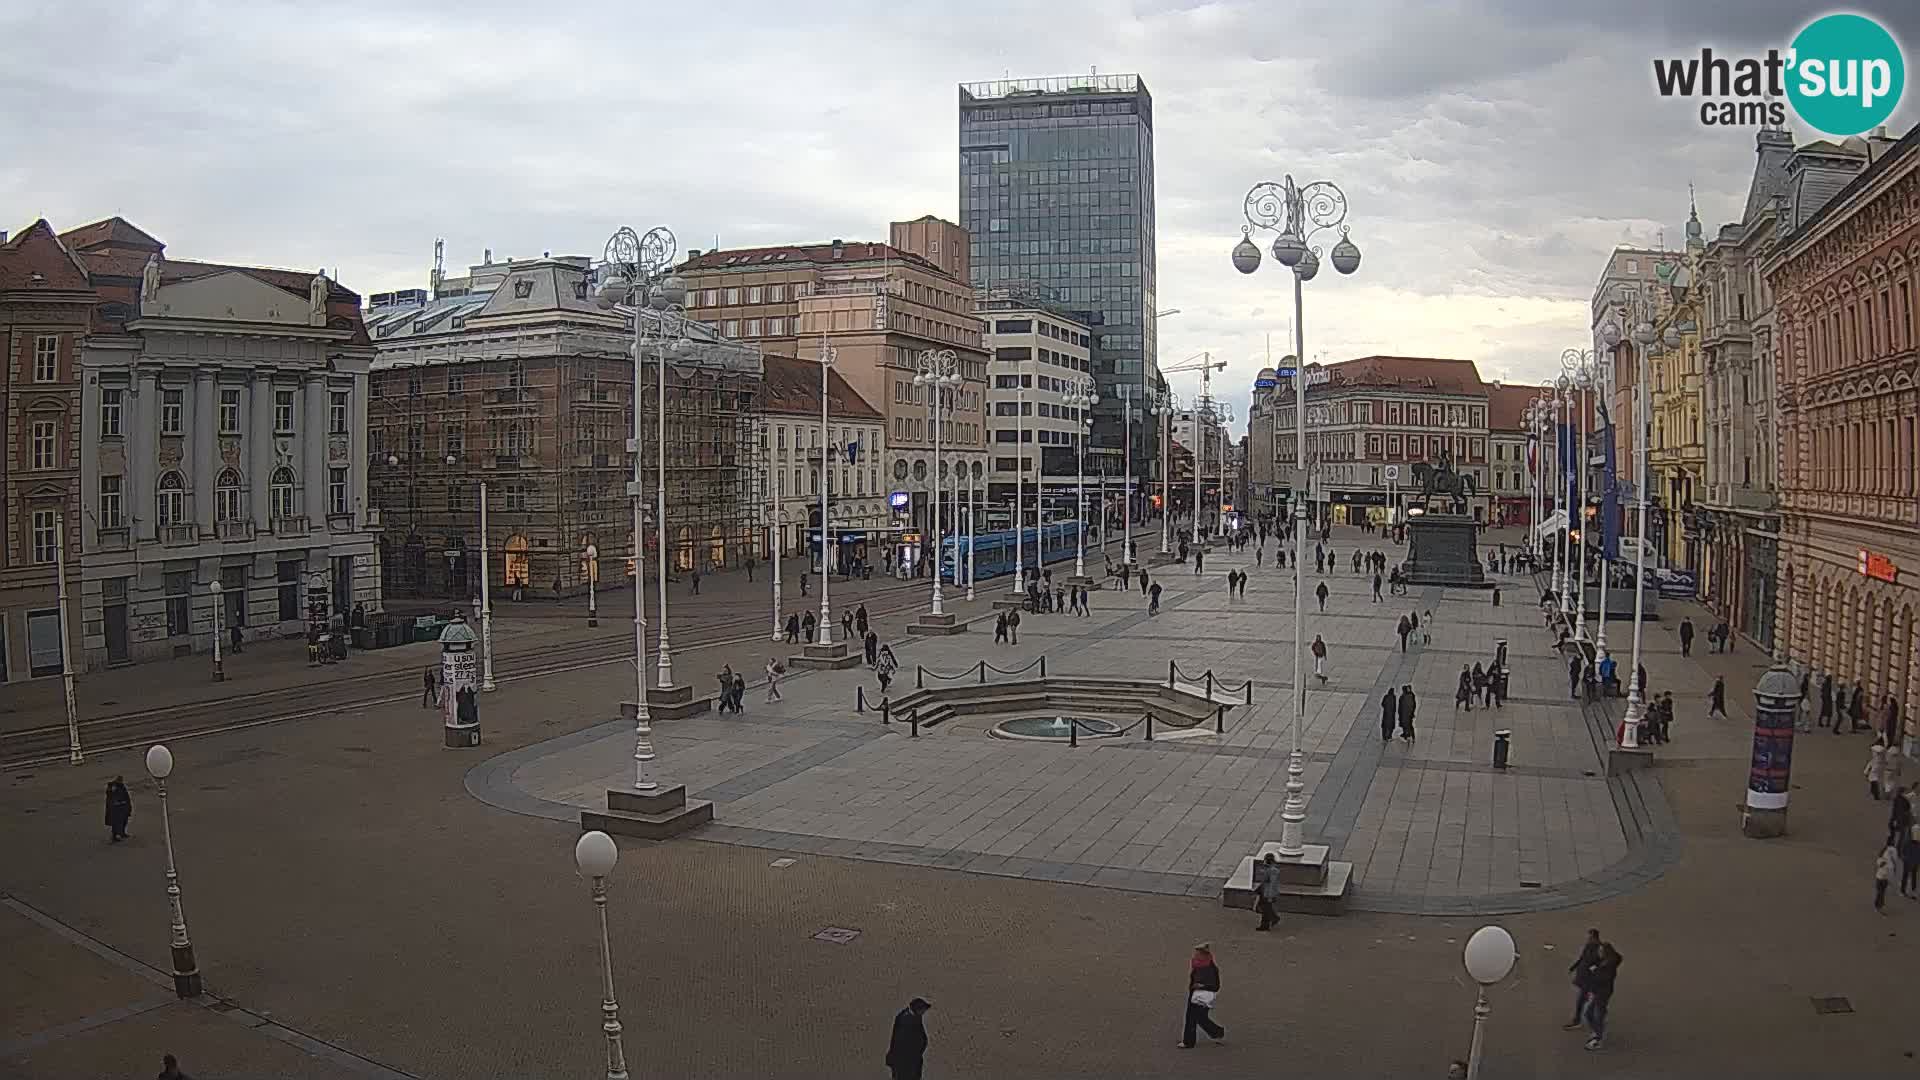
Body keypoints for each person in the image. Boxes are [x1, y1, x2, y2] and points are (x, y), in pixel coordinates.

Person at [1180, 944, 1225, 1048]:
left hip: (1203, 996)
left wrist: (1203, 986)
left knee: (1193, 1017)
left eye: (1198, 953)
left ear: (1203, 955)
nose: (1195, 955)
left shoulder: (1210, 969)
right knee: (1198, 1017)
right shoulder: (1198, 964)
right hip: (1195, 993)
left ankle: (1189, 1042)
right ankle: (1216, 1032)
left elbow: (1215, 986)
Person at [1581, 942, 1622, 1051]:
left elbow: (1603, 979)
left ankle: (1598, 1038)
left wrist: (1595, 971)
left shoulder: (1608, 966)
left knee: (1593, 1014)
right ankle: (1598, 1032)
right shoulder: (1605, 962)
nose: (1599, 953)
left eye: (1600, 951)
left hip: (1602, 993)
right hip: (1599, 992)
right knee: (1592, 1013)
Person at [1564, 929, 1603, 1028]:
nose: (1588, 938)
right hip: (1584, 976)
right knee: (1586, 998)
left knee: (1582, 999)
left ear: (1594, 936)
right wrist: (1574, 967)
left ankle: (1578, 1020)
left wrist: (1593, 969)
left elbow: (1599, 962)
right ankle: (1588, 1017)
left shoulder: (1598, 948)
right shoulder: (1589, 945)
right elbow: (1582, 958)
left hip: (1588, 978)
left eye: (1589, 936)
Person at [885, 997, 932, 1080]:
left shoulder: (914, 1017)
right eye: (923, 1010)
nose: (924, 1012)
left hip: (911, 1061)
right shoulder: (905, 1019)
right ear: (917, 1009)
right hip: (905, 1063)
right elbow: (899, 1043)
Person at [1253, 853, 1282, 931]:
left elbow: (1272, 884)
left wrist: (1269, 896)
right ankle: (1270, 921)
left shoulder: (1273, 871)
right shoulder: (1269, 868)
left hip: (1267, 893)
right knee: (1265, 908)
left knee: (1265, 909)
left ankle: (1270, 921)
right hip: (1264, 891)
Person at [105, 776, 132, 842]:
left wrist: (128, 806)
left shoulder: (122, 786)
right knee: (115, 823)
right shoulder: (113, 787)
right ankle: (114, 836)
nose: (121, 781)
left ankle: (122, 833)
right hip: (116, 808)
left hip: (123, 807)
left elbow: (126, 796)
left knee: (124, 821)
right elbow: (110, 796)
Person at [1876, 843, 1898, 914]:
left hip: (1882, 878)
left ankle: (1879, 904)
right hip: (1881, 878)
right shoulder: (1886, 860)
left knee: (1881, 892)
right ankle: (1878, 906)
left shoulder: (1888, 859)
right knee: (1881, 892)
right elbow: (1880, 863)